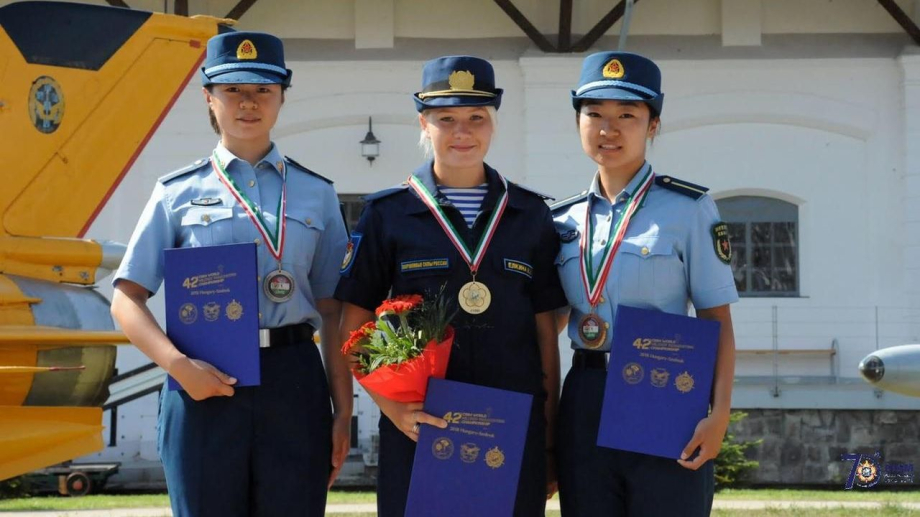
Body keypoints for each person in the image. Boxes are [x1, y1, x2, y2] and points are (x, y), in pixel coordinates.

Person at [110, 31, 351, 517]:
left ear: (282, 96)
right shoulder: (175, 193)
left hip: (293, 380)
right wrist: (179, 367)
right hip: (203, 380)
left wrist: (344, 411)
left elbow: (333, 311)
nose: (248, 103)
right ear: (208, 97)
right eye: (233, 89)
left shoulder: (317, 194)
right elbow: (126, 298)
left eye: (263, 90)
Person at [335, 55, 567, 517]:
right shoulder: (389, 214)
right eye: (446, 119)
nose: (463, 132)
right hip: (420, 425)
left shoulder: (530, 214)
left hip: (511, 427)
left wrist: (548, 436)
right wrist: (390, 407)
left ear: (493, 124)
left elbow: (545, 334)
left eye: (476, 117)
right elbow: (352, 328)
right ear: (423, 123)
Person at [552, 51, 738, 516]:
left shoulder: (689, 209)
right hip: (586, 392)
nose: (608, 129)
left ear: (653, 125)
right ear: (578, 122)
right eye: (594, 114)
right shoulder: (560, 220)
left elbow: (716, 319)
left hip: (665, 390)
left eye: (627, 115)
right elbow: (548, 322)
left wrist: (719, 413)